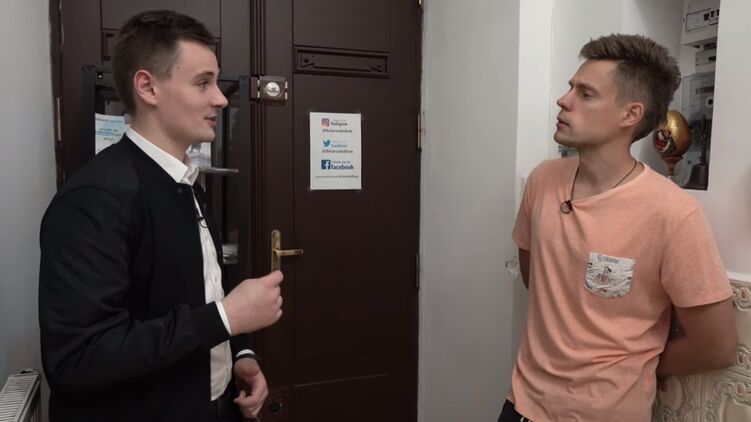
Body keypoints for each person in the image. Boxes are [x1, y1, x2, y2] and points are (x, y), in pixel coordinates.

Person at [39, 10, 282, 422]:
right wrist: (225, 318)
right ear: (148, 87)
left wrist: (239, 352)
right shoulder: (95, 200)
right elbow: (78, 359)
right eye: (203, 82)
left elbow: (200, 290)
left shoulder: (186, 182)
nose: (221, 99)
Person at [501, 34, 737, 421]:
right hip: (522, 405)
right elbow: (536, 278)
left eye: (586, 94)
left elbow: (716, 346)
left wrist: (629, 368)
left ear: (630, 115)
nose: (564, 100)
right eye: (570, 87)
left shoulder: (673, 214)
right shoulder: (543, 180)